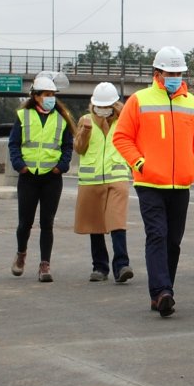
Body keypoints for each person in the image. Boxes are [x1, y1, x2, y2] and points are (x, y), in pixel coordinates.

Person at [113, 46, 194, 317]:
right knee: (157, 234)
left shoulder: (191, 102)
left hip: (181, 184)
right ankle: (163, 291)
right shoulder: (139, 100)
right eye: (170, 72)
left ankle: (163, 291)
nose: (175, 77)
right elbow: (122, 137)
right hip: (149, 183)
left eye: (179, 73)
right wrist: (140, 163)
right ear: (157, 73)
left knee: (173, 241)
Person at [8, 73, 76, 283]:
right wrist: (20, 166)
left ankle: (44, 264)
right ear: (36, 96)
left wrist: (61, 166)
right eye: (46, 94)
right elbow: (14, 144)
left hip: (51, 178)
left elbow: (67, 146)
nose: (51, 98)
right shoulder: (23, 116)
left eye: (53, 94)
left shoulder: (61, 119)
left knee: (47, 223)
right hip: (29, 178)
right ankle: (21, 254)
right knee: (25, 223)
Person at [73, 82, 133, 284]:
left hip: (117, 178)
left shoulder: (124, 120)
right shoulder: (85, 120)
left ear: (115, 105)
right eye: (100, 106)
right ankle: (100, 267)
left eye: (108, 106)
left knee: (117, 222)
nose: (104, 110)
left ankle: (122, 265)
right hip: (92, 180)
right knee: (95, 225)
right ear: (93, 104)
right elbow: (79, 149)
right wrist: (85, 132)